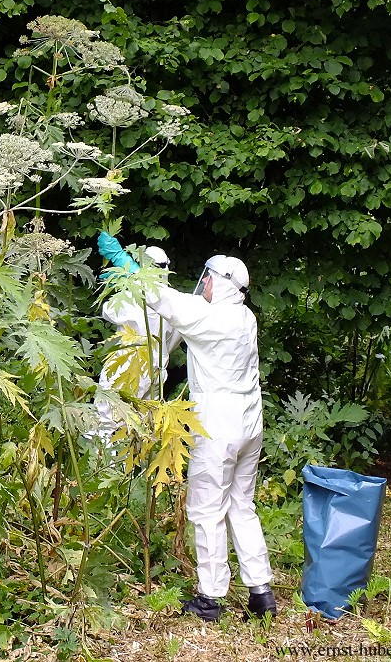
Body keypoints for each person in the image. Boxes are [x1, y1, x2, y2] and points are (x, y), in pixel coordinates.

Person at [98, 234, 277, 622]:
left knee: (206, 509)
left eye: (208, 279)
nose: (203, 284)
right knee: (242, 505)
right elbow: (184, 305)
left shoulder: (208, 317)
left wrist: (131, 269)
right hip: (250, 423)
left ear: (220, 282)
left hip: (218, 426)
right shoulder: (245, 316)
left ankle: (210, 598)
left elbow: (163, 301)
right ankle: (261, 591)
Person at [94, 244, 182, 439]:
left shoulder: (136, 298)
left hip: (127, 364)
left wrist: (122, 284)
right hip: (158, 369)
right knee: (144, 425)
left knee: (108, 420)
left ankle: (105, 462)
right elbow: (173, 341)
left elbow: (108, 310)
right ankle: (135, 466)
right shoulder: (173, 303)